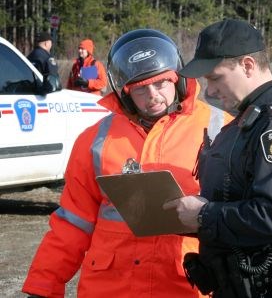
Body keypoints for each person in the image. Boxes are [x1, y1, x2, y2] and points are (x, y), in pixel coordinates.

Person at [22, 29, 232, 297]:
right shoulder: (95, 140)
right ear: (124, 92)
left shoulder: (221, 128)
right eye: (140, 89)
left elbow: (245, 215)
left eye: (161, 84)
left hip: (185, 283)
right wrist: (44, 286)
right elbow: (71, 223)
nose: (153, 95)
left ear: (178, 79)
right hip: (111, 286)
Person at [164, 19, 272, 297]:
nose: (210, 90)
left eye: (215, 77)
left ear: (248, 66)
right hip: (239, 284)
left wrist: (203, 215)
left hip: (269, 287)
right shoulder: (247, 120)